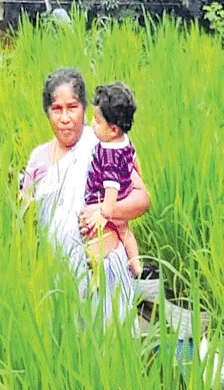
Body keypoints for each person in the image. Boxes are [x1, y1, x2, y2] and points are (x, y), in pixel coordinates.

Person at [22, 68, 150, 326]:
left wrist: (104, 211)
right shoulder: (37, 159)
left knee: (112, 353)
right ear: (47, 111)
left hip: (104, 271)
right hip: (58, 281)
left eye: (73, 107)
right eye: (57, 109)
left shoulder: (103, 144)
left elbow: (142, 199)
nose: (65, 118)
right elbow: (24, 224)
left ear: (84, 108)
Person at [84, 82, 142, 279]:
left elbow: (110, 188)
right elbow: (134, 160)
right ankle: (136, 267)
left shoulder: (109, 156)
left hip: (104, 200)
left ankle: (98, 273)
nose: (92, 123)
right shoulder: (124, 141)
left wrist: (104, 213)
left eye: (97, 121)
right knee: (125, 231)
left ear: (113, 129)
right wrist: (137, 178)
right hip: (125, 193)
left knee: (98, 235)